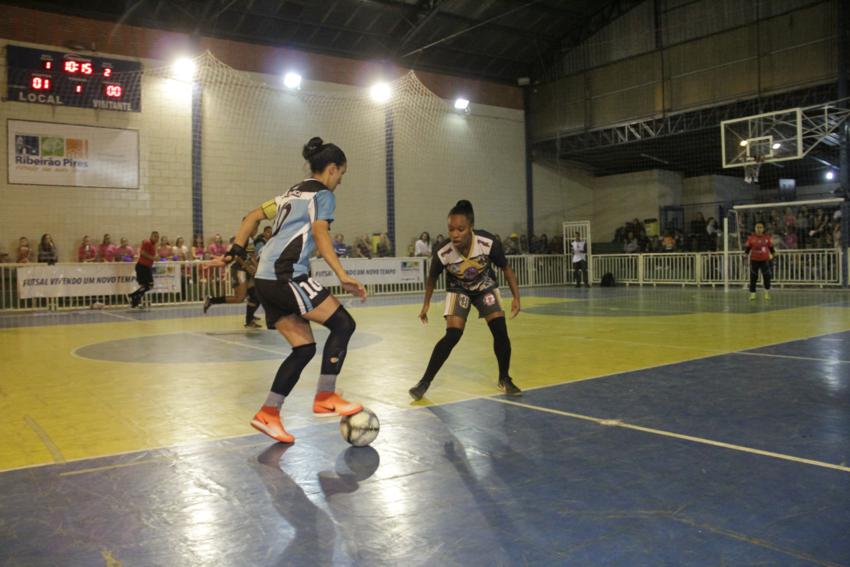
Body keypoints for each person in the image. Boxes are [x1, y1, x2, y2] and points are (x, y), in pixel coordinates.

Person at [225, 137, 367, 444]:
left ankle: (268, 413)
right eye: (341, 174)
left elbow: (250, 217)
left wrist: (236, 247)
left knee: (304, 349)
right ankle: (326, 396)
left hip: (265, 280)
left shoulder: (289, 195)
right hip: (285, 275)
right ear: (331, 169)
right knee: (344, 323)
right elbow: (320, 232)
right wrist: (342, 274)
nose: (340, 180)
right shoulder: (323, 195)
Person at [409, 199, 522, 401]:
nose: (455, 234)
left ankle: (505, 377)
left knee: (500, 330)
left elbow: (506, 269)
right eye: (451, 229)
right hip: (458, 288)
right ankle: (424, 382)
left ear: (471, 228)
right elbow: (432, 278)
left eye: (460, 229)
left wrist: (516, 297)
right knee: (452, 335)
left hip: (484, 285)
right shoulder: (443, 251)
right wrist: (426, 304)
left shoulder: (488, 243)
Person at [204, 232, 262, 329]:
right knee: (239, 298)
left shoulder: (250, 240)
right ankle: (212, 300)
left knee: (255, 295)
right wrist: (211, 264)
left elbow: (252, 256)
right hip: (239, 270)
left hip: (246, 270)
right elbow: (231, 258)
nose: (256, 228)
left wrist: (257, 269)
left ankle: (249, 321)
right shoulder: (240, 240)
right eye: (256, 224)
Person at [744, 221, 775, 301]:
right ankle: (752, 294)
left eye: (760, 227)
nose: (759, 229)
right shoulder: (751, 238)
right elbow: (747, 249)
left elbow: (771, 248)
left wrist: (773, 255)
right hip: (754, 260)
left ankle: (766, 293)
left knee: (767, 277)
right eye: (757, 227)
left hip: (765, 260)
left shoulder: (767, 238)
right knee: (753, 277)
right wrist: (745, 255)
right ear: (755, 228)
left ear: (763, 229)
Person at [128, 231, 159, 308]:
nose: (156, 238)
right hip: (142, 266)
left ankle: (134, 300)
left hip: (146, 267)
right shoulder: (147, 242)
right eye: (155, 236)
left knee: (145, 286)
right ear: (151, 236)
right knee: (149, 285)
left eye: (157, 237)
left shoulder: (153, 245)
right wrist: (153, 258)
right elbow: (143, 253)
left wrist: (156, 258)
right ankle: (133, 296)